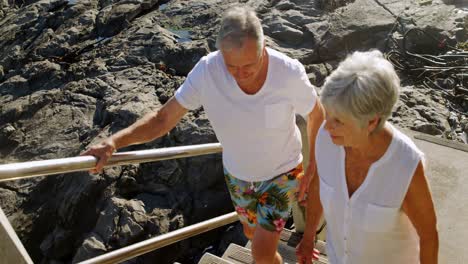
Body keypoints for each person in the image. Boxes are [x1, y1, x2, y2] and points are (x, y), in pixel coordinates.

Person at [83, 6, 324, 264]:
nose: (242, 75)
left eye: (250, 65)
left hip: (283, 171)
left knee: (261, 252)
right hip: (238, 174)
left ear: (263, 46)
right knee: (253, 236)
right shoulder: (207, 71)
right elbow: (163, 118)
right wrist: (114, 142)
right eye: (233, 67)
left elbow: (317, 115)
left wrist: (314, 164)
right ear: (220, 53)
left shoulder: (288, 73)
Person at [296, 50, 439, 264]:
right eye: (329, 114)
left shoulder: (406, 166)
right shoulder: (327, 138)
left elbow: (428, 237)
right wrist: (309, 237)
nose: (327, 127)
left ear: (372, 122)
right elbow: (318, 185)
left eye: (339, 121)